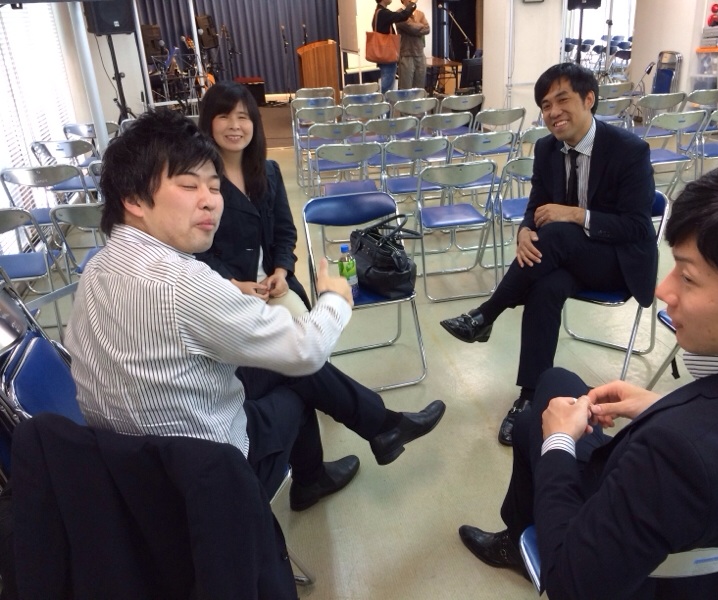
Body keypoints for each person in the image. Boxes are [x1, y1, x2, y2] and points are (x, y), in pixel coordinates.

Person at [64, 109, 446, 559]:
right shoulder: (179, 282)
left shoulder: (98, 268)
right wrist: (335, 298)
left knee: (283, 365)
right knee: (298, 378)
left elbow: (280, 237)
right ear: (133, 197)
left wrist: (268, 276)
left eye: (213, 187)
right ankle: (354, 448)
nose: (209, 201)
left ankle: (373, 435)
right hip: (208, 476)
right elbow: (305, 349)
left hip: (134, 470)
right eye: (188, 186)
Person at [458, 157, 718, 600]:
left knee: (544, 417)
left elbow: (571, 585)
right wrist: (661, 406)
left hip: (628, 555)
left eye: (688, 277)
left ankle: (520, 543)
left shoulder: (675, 452)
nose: (664, 290)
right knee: (543, 399)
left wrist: (559, 442)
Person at [440, 62, 656, 445]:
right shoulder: (546, 148)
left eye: (562, 100)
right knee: (546, 286)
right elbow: (537, 205)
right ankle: (531, 396)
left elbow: (638, 228)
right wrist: (525, 230)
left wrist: (575, 215)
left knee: (556, 233)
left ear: (589, 99)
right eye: (545, 105)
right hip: (566, 256)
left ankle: (487, 313)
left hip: (617, 261)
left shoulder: (628, 150)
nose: (553, 112)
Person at [196, 80, 309, 317]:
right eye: (224, 116)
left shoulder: (269, 171)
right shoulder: (197, 181)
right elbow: (197, 249)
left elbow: (285, 232)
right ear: (209, 122)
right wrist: (234, 285)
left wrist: (281, 272)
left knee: (305, 329)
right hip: (223, 292)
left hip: (271, 286)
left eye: (243, 117)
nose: (235, 126)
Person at [373, 0, 417, 94]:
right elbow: (402, 16)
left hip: (382, 54)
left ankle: (384, 102)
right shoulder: (383, 13)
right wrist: (412, 3)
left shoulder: (378, 12)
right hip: (387, 55)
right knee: (387, 86)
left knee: (386, 83)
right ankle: (385, 103)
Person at [396, 0, 430, 90]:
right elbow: (411, 28)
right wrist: (421, 26)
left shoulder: (420, 14)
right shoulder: (399, 14)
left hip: (420, 54)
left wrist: (415, 27)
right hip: (407, 54)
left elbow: (427, 29)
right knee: (406, 89)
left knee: (420, 88)